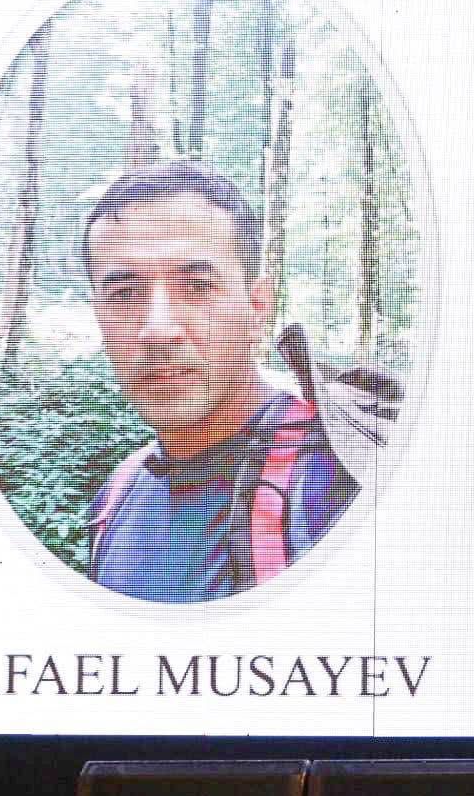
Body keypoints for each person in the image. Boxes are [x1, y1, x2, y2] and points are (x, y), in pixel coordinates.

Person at [82, 161, 356, 602]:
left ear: (257, 306)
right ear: (99, 315)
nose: (158, 328)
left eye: (197, 286)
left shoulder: (338, 480)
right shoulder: (118, 495)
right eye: (124, 294)